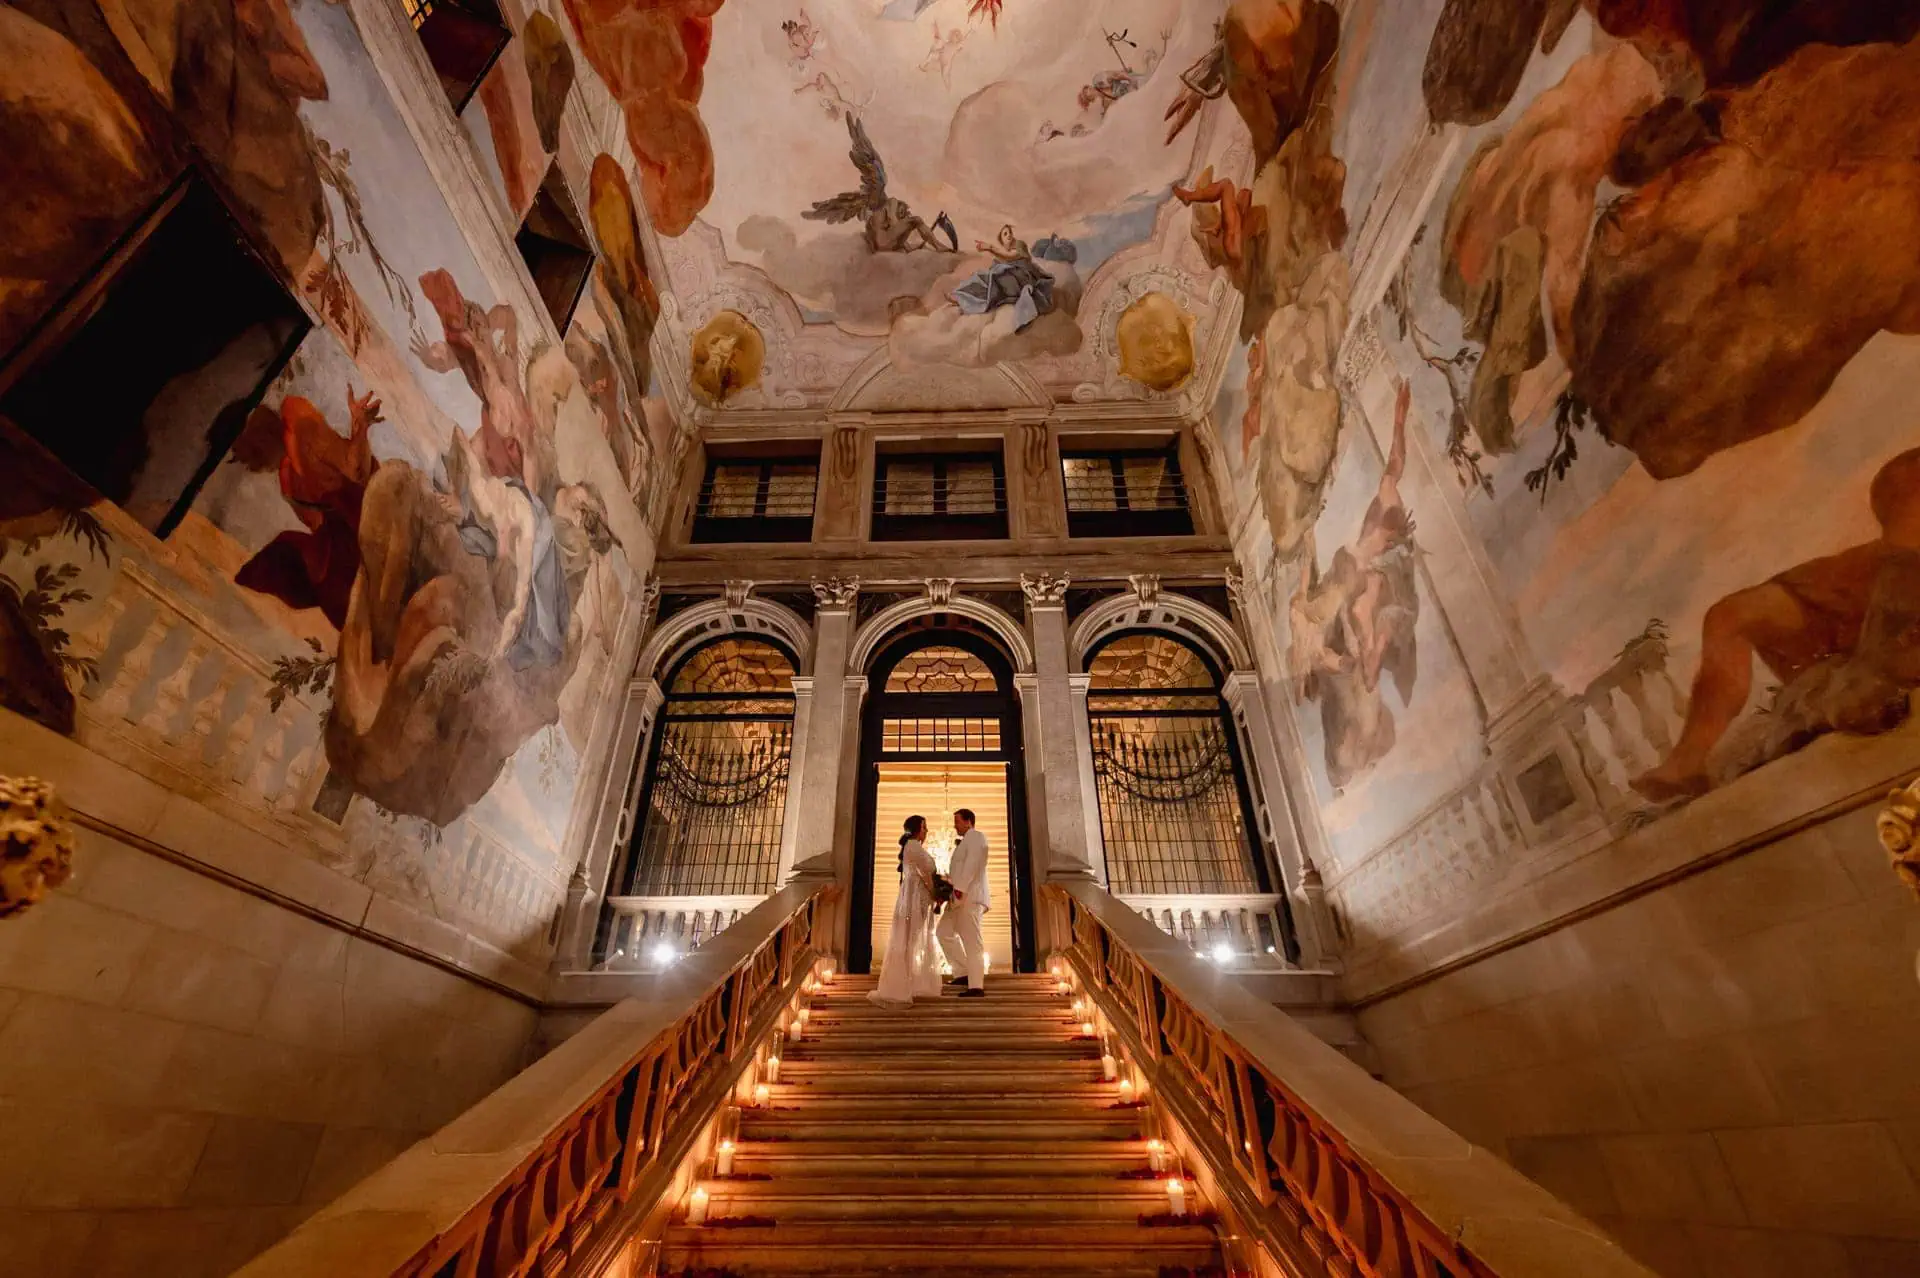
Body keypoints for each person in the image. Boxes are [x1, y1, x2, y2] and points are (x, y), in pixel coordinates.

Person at [868, 816, 943, 1007]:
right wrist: (936, 892)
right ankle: (900, 988)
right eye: (925, 828)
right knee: (909, 942)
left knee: (910, 941)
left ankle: (907, 984)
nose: (926, 832)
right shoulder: (914, 847)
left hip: (915, 900)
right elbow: (927, 873)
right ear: (918, 828)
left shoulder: (911, 847)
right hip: (914, 902)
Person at [937, 808, 990, 998]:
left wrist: (960, 888)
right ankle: (963, 972)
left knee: (972, 942)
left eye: (957, 822)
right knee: (943, 932)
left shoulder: (976, 836)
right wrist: (946, 883)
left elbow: (973, 864)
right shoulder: (964, 842)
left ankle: (976, 986)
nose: (955, 826)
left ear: (968, 821)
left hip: (969, 896)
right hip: (957, 896)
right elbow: (961, 869)